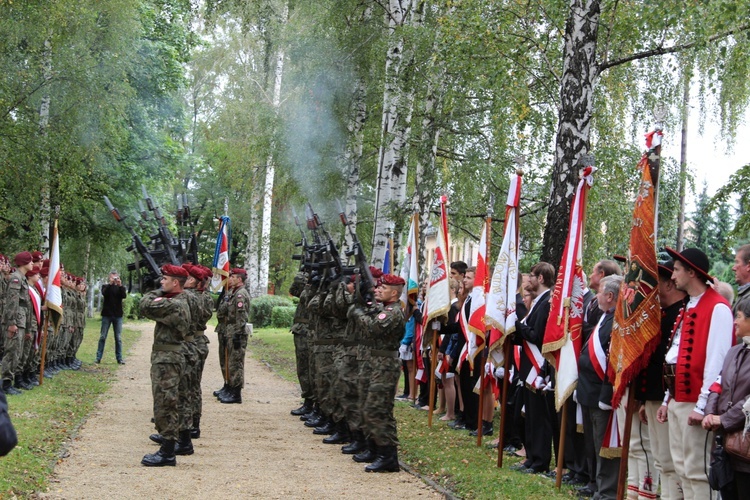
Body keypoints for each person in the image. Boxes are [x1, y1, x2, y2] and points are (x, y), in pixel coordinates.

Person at [658, 247, 734, 499]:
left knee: (697, 470)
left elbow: (717, 362)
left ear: (692, 272)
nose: (673, 276)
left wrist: (703, 406)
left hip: (696, 401)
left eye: (677, 270)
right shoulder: (689, 305)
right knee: (681, 468)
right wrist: (668, 399)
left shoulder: (718, 308)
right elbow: (676, 355)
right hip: (679, 397)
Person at [636, 260, 686, 500]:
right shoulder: (664, 314)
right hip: (655, 396)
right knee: (661, 460)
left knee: (670, 461)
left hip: (669, 397)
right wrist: (646, 399)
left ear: (667, 285)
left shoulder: (682, 313)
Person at [350, 273, 406, 472]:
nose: (377, 290)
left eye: (382, 289)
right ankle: (374, 448)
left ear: (393, 292)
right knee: (367, 406)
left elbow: (373, 328)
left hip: (385, 365)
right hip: (375, 362)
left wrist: (358, 313)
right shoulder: (383, 309)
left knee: (378, 410)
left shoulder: (393, 313)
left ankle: (388, 456)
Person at [577, 274, 624, 499]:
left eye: (599, 292)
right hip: (588, 391)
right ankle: (595, 484)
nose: (596, 296)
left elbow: (612, 362)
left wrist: (606, 396)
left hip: (599, 394)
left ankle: (606, 491)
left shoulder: (617, 321)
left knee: (603, 446)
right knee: (592, 443)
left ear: (610, 295)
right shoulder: (605, 317)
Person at [139, 265, 191, 467]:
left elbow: (144, 305)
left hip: (168, 358)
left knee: (165, 402)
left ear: (175, 283)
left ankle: (167, 452)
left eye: (165, 279)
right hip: (168, 355)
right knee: (169, 400)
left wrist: (157, 292)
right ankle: (169, 445)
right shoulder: (180, 299)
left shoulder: (174, 304)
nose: (161, 282)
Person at [702, 298, 750, 499]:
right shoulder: (734, 351)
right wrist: (710, 413)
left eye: (738, 316)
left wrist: (725, 419)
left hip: (746, 450)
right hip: (726, 447)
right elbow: (717, 384)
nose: (735, 322)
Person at [511, 262, 554, 474]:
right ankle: (530, 457)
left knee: (538, 418)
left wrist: (517, 324)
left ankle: (540, 461)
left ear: (541, 279)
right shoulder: (538, 301)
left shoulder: (547, 302)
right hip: (528, 366)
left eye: (532, 276)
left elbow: (537, 336)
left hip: (538, 368)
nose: (528, 280)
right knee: (528, 415)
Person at [216, 268, 251, 404]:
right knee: (229, 361)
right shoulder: (233, 293)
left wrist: (238, 333)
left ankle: (236, 393)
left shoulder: (241, 295)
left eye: (233, 277)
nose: (230, 279)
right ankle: (229, 387)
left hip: (236, 332)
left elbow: (241, 317)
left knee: (236, 362)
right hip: (230, 330)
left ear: (239, 279)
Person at [1, 252, 34, 395]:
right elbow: (12, 302)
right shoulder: (16, 278)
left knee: (17, 352)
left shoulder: (22, 279)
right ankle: (6, 383)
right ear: (24, 262)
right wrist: (11, 323)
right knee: (11, 352)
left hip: (22, 319)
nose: (32, 263)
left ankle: (11, 380)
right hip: (15, 320)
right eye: (30, 261)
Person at [97, 271, 127, 364]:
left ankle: (119, 358)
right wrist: (110, 284)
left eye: (116, 277)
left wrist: (120, 285)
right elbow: (104, 293)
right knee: (103, 336)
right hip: (107, 314)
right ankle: (98, 357)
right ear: (109, 278)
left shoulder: (120, 288)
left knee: (118, 338)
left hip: (117, 315)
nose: (114, 279)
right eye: (112, 278)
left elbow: (124, 296)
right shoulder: (105, 287)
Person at [732, 244, 750, 314]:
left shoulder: (748, 298)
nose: (733, 268)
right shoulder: (745, 294)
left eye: (737, 262)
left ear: (749, 266)